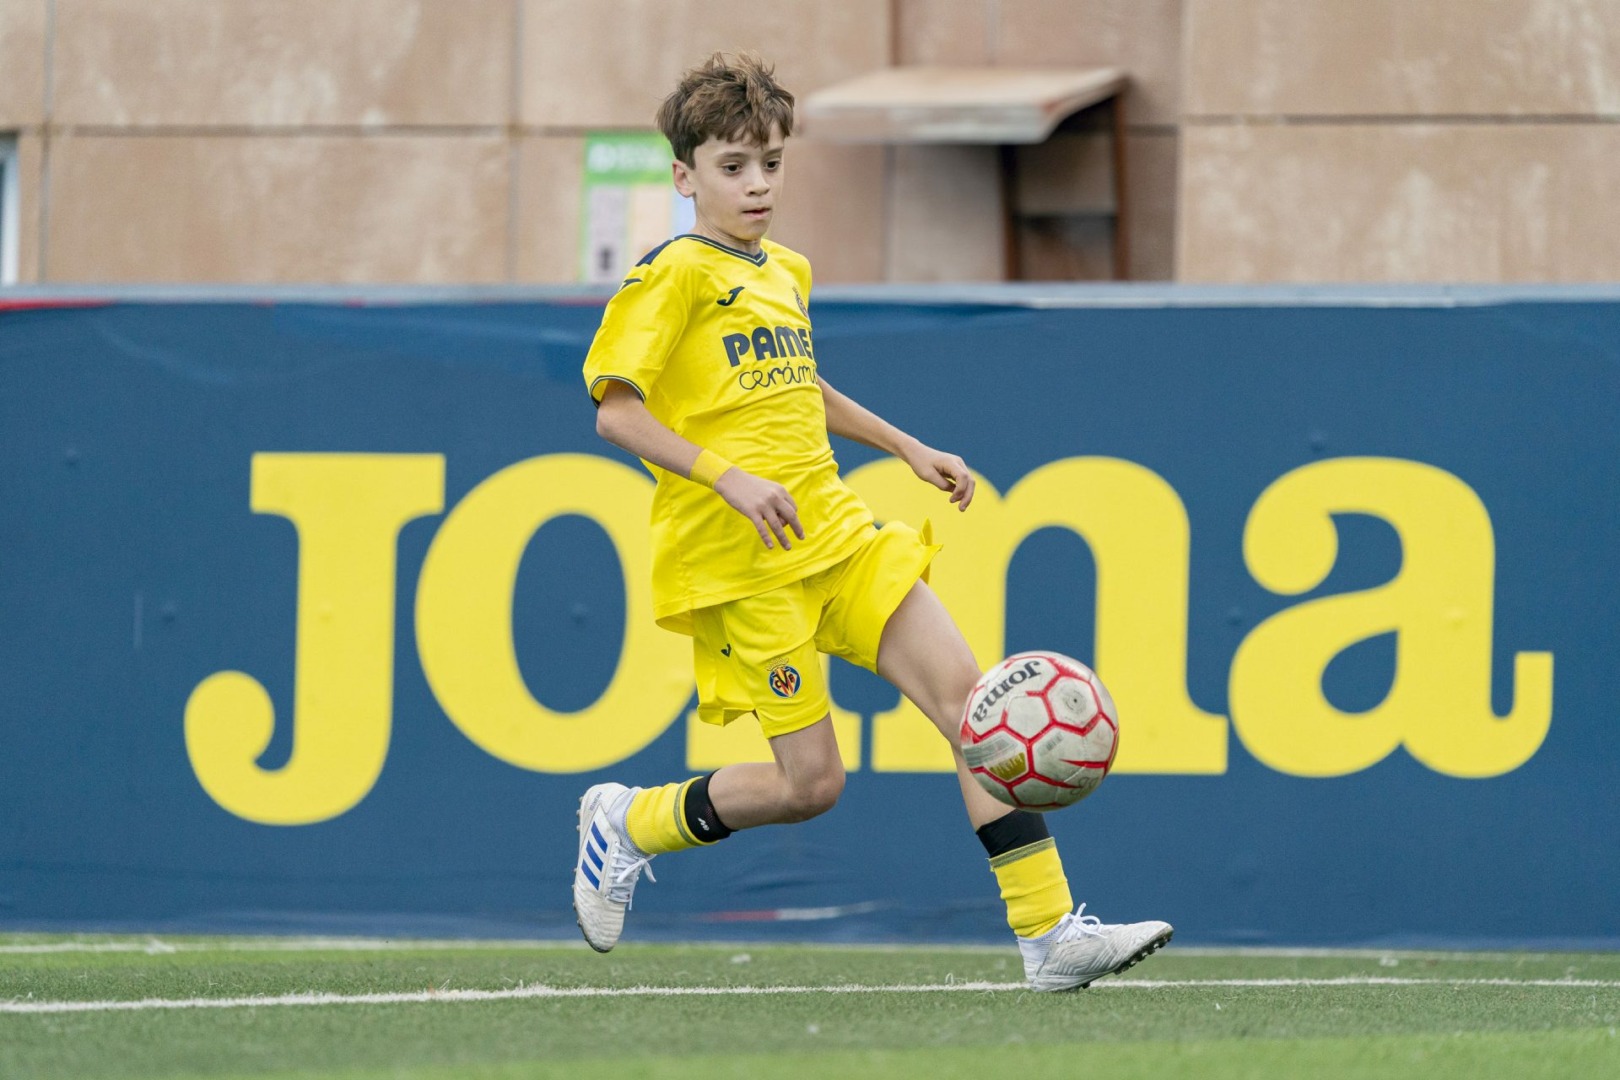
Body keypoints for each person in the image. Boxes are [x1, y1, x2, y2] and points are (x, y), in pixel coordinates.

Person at [574, 52, 1171, 991]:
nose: (758, 183)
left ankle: (1049, 935)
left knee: (973, 710)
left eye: (771, 161)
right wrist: (728, 478)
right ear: (685, 176)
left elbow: (795, 387)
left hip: (838, 535)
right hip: (745, 563)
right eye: (734, 166)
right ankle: (626, 822)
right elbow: (616, 410)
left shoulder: (784, 272)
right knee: (811, 787)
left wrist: (904, 445)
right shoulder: (674, 275)